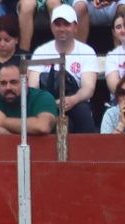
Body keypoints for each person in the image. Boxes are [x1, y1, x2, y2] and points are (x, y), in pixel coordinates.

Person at [29, 4, 97, 133]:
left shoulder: (86, 51)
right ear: (52, 27)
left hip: (76, 102)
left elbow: (88, 87)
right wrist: (49, 103)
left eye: (66, 24)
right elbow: (33, 86)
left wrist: (72, 100)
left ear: (75, 27)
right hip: (47, 103)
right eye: (57, 24)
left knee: (82, 112)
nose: (61, 29)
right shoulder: (41, 51)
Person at [0, 58, 55, 133]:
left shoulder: (42, 97)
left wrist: (4, 122)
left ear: (25, 82)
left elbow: (43, 126)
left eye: (14, 82)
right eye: (3, 83)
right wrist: (4, 132)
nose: (8, 87)